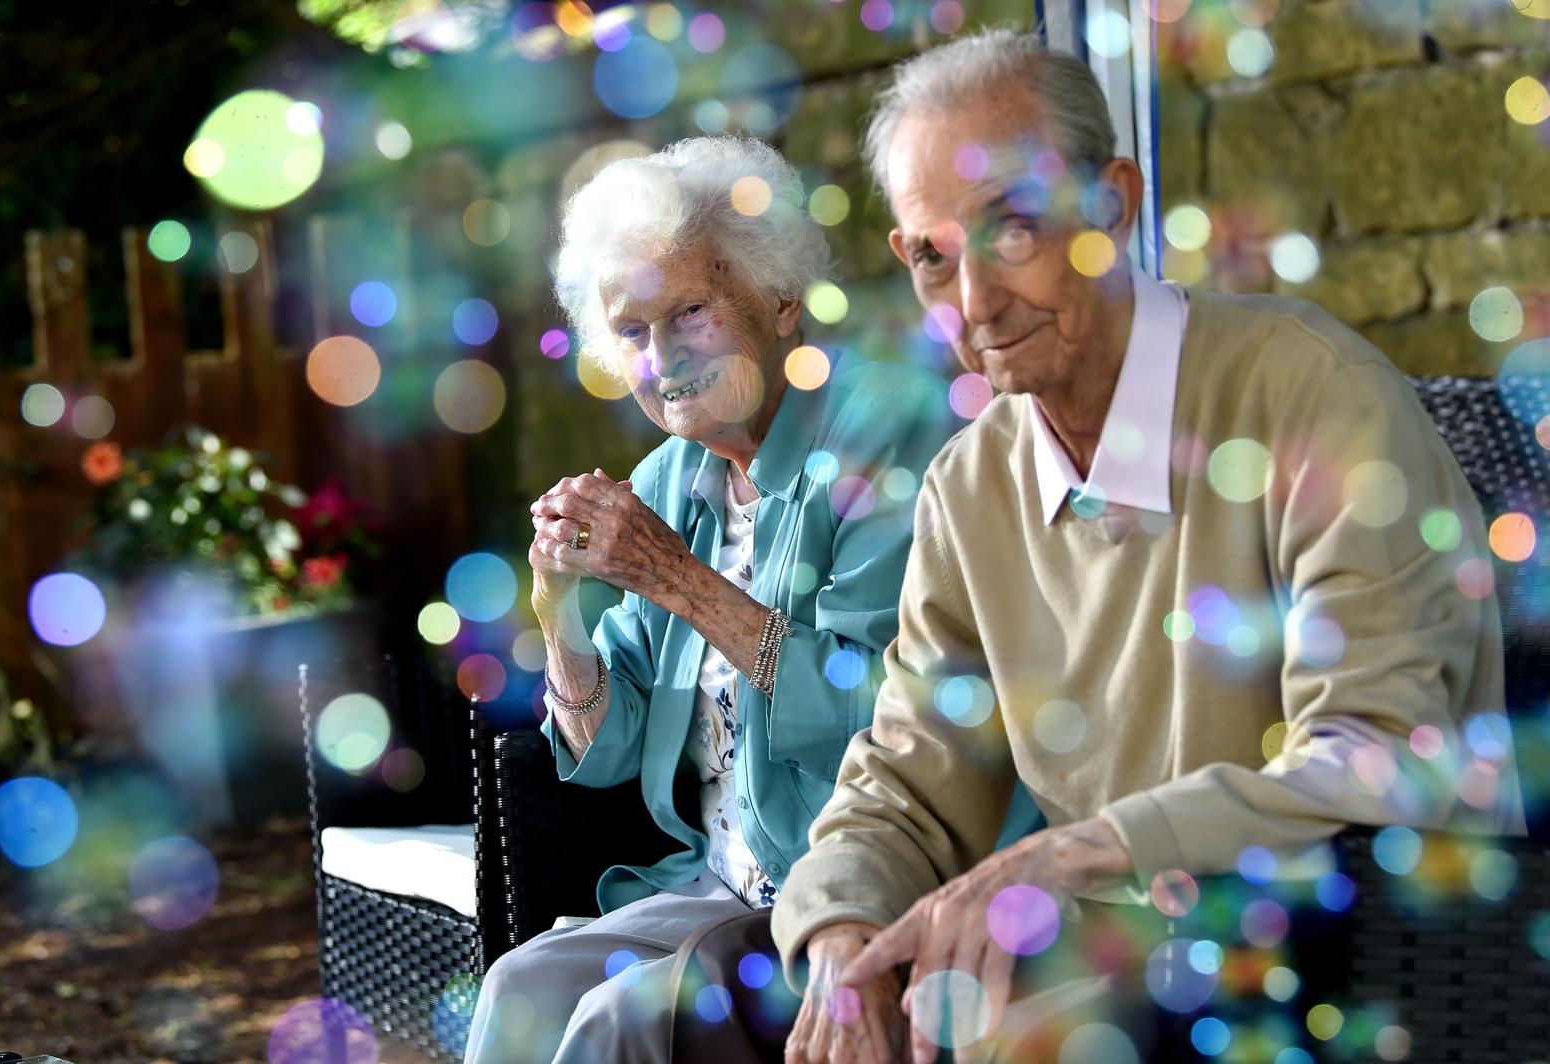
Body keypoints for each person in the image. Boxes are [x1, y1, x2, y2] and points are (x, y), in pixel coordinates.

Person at [775, 26, 1526, 1064]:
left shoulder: (1313, 395)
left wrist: (1082, 851)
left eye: (1015, 227)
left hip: (1353, 961)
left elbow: (1377, 760)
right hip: (1114, 957)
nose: (975, 302)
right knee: (674, 1010)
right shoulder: (968, 485)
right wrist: (839, 935)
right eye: (934, 256)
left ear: (1113, 205)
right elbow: (908, 783)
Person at [462, 135, 961, 1063]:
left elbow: (876, 711)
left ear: (781, 299)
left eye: (689, 312)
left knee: (624, 1019)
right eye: (631, 332)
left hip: (854, 891)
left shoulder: (886, 429)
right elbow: (608, 748)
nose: (661, 357)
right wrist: (557, 609)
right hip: (716, 886)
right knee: (520, 987)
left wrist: (676, 579)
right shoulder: (670, 478)